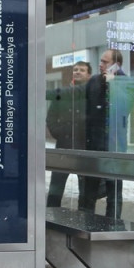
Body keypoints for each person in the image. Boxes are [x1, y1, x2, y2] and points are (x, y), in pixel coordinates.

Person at [82, 49, 132, 218]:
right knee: (89, 191)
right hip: (94, 144)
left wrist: (113, 85)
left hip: (114, 146)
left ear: (116, 65)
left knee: (114, 191)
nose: (100, 64)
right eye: (101, 61)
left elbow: (125, 109)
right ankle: (86, 223)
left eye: (105, 62)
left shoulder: (126, 82)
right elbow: (87, 113)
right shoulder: (94, 81)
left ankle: (113, 225)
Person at [45, 61, 91, 208]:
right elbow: (51, 117)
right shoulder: (63, 94)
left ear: (88, 75)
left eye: (82, 70)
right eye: (75, 69)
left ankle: (83, 221)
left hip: (84, 147)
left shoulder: (91, 95)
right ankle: (51, 220)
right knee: (56, 189)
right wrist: (58, 132)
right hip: (63, 146)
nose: (77, 72)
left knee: (85, 191)